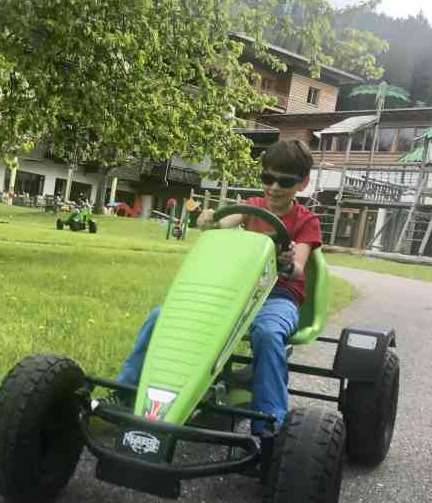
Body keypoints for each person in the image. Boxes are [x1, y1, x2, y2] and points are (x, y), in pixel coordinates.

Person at [99, 140, 323, 436]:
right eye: (267, 179)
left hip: (277, 297)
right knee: (159, 317)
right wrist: (210, 221)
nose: (274, 188)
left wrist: (289, 260)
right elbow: (223, 224)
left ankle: (270, 422)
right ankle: (127, 391)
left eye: (285, 182)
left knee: (268, 334)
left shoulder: (307, 221)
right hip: (235, 294)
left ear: (303, 183)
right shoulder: (251, 208)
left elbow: (298, 265)